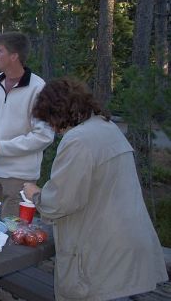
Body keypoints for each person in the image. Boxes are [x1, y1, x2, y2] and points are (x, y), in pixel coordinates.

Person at [23, 78, 168, 301]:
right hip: (130, 245)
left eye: (49, 119)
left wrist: (35, 193)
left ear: (58, 111)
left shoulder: (78, 140)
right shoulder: (108, 128)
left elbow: (59, 202)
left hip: (102, 255)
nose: (52, 127)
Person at [0, 31, 54, 217]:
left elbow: (43, 136)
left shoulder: (38, 88)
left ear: (14, 56)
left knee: (13, 235)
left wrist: (1, 147)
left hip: (20, 179)